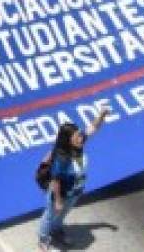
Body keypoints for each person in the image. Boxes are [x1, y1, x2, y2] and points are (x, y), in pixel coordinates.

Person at [37, 106, 109, 251]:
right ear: (67, 139)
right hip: (61, 193)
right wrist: (57, 200)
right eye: (76, 136)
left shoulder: (77, 145)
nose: (80, 137)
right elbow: (55, 180)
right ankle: (43, 238)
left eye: (79, 134)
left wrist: (101, 115)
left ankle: (56, 231)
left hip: (74, 191)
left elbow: (92, 128)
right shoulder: (62, 158)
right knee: (51, 215)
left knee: (63, 213)